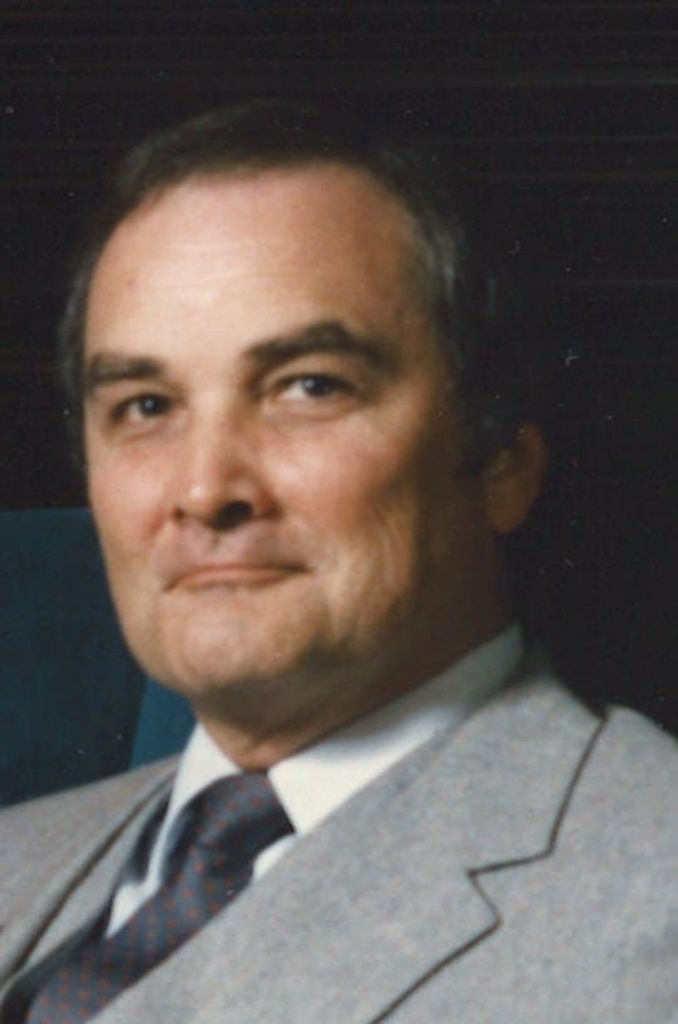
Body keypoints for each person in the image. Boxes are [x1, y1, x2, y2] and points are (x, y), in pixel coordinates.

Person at [0, 99, 675, 1024]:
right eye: (146, 406)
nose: (204, 489)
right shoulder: (19, 854)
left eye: (309, 387)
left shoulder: (653, 902)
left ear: (501, 464)